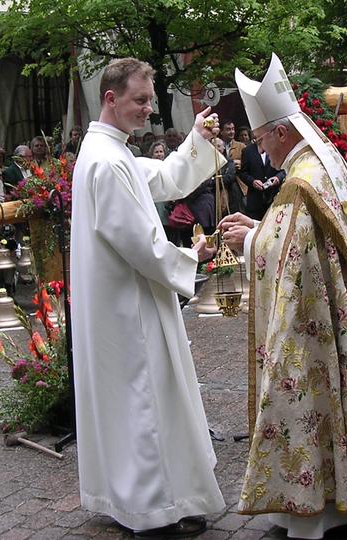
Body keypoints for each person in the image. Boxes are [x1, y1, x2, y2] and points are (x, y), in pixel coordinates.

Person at [219, 54, 347, 539]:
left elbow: (291, 257)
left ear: (281, 132)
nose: (260, 145)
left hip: (320, 325)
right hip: (346, 318)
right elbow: (302, 239)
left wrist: (247, 240)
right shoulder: (326, 163)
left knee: (314, 396)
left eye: (263, 136)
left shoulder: (300, 181)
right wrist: (261, 227)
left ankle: (318, 505)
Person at [70, 57, 225, 537]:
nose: (147, 109)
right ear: (110, 98)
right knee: (143, 402)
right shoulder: (106, 159)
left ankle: (153, 499)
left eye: (150, 100)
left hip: (123, 304)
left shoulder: (109, 151)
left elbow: (165, 178)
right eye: (140, 100)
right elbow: (139, 242)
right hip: (128, 310)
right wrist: (192, 255)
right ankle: (152, 510)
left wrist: (197, 137)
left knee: (142, 401)